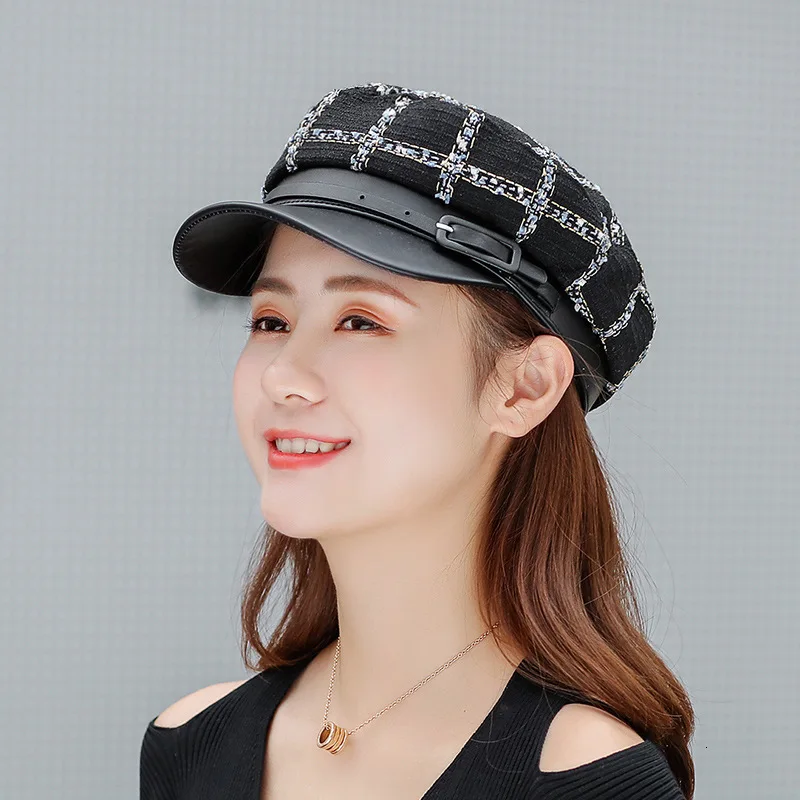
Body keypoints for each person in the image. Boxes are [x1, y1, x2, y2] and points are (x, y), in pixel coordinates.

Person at [140, 82, 695, 799]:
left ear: (524, 388)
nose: (282, 376)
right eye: (271, 321)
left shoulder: (587, 779)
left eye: (361, 322)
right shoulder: (192, 744)